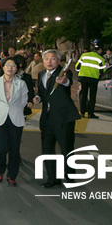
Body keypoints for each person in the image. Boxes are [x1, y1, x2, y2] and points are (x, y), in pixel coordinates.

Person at [35, 49, 81, 188]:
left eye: (53, 58)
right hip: (47, 118)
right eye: (46, 58)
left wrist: (64, 81)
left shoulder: (64, 72)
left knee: (66, 148)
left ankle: (70, 177)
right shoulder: (41, 74)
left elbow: (67, 82)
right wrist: (38, 97)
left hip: (63, 118)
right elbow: (44, 93)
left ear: (59, 60)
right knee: (47, 149)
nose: (49, 61)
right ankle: (52, 178)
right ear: (43, 61)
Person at [0, 57, 28, 186]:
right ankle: (0, 171)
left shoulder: (21, 84)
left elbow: (23, 101)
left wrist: (14, 109)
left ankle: (12, 175)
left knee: (14, 149)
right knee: (0, 148)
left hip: (16, 118)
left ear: (17, 69)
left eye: (13, 66)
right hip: (0, 118)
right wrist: (0, 109)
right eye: (8, 65)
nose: (10, 68)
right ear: (3, 67)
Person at [75, 47, 105, 118]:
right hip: (93, 79)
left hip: (83, 78)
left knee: (83, 95)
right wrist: (98, 76)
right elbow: (103, 70)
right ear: (99, 50)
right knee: (92, 96)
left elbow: (77, 67)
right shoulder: (100, 58)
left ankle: (82, 113)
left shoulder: (84, 55)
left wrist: (81, 73)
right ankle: (90, 113)